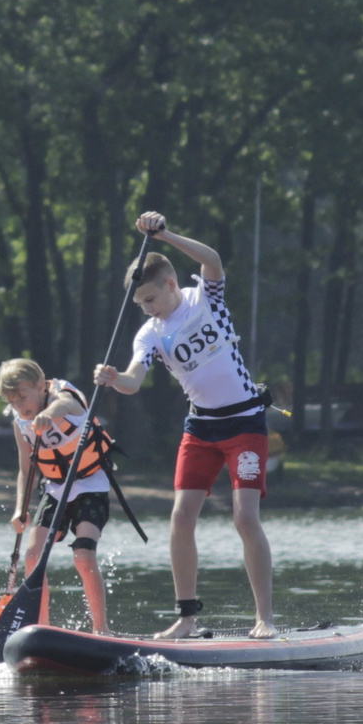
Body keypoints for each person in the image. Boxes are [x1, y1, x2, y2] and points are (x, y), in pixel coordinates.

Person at [94, 211, 276, 639]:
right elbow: (134, 381)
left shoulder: (204, 298)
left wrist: (165, 234)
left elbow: (212, 259)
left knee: (245, 519)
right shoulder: (150, 334)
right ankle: (188, 619)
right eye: (139, 305)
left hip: (246, 422)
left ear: (171, 285)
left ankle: (265, 618)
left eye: (150, 300)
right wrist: (113, 378)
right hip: (201, 431)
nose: (147, 309)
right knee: (180, 518)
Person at [0, 358, 113, 633]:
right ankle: (41, 627)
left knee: (83, 555)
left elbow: (67, 405)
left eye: (23, 397)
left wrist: (49, 413)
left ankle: (101, 628)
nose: (20, 406)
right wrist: (18, 509)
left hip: (91, 484)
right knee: (33, 555)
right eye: (13, 402)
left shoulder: (65, 395)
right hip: (56, 488)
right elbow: (26, 469)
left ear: (39, 386)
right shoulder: (19, 422)